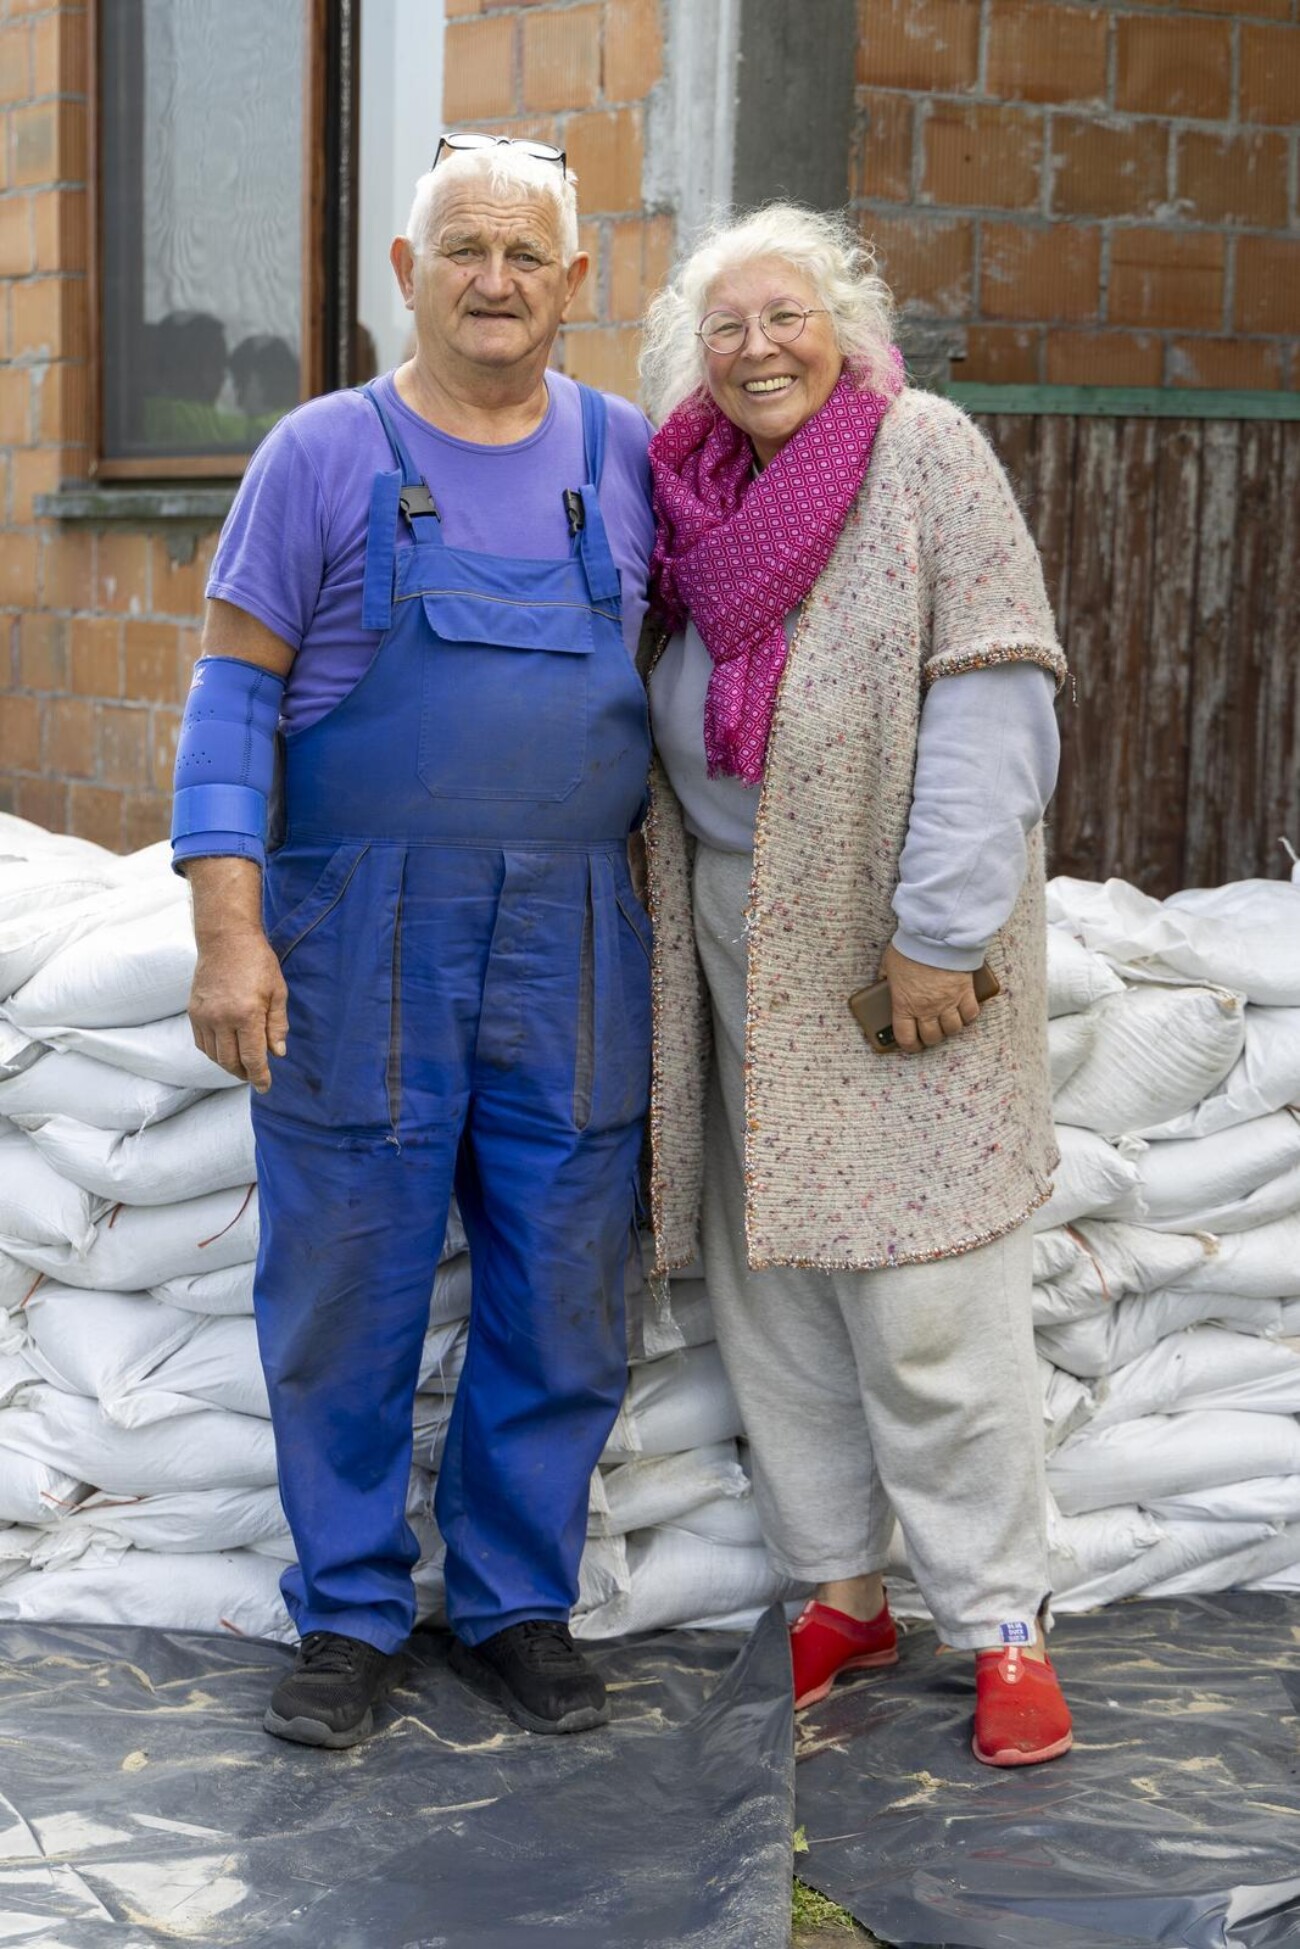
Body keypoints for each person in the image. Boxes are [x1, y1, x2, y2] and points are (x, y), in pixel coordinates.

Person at [170, 133, 657, 1748]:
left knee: (565, 1273)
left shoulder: (630, 453)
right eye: (466, 250)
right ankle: (354, 1615)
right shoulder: (320, 452)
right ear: (407, 270)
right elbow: (235, 700)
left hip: (577, 930)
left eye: (529, 256)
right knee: (349, 1277)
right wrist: (227, 928)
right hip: (362, 930)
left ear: (575, 281)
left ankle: (518, 1604)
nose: (497, 282)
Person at [638, 204, 1073, 1768]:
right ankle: (845, 1583)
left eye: (787, 313)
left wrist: (942, 936)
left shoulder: (927, 455)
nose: (758, 346)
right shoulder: (690, 495)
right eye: (727, 323)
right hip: (735, 928)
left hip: (894, 941)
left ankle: (1004, 1617)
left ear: (848, 321)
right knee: (778, 1278)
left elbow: (995, 691)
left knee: (925, 1289)